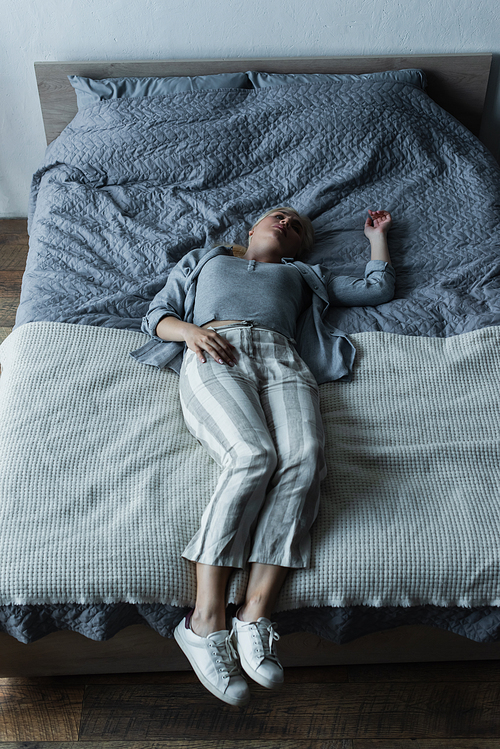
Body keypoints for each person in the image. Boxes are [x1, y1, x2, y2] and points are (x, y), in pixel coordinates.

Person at [130, 207, 395, 706]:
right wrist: (189, 333)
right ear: (250, 229)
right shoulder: (205, 259)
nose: (286, 225)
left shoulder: (303, 275)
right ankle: (204, 620)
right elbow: (155, 315)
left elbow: (377, 289)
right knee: (252, 455)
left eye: (296, 228)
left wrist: (377, 239)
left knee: (306, 458)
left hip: (284, 358)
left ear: (299, 247)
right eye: (278, 218)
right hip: (215, 348)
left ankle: (254, 615)